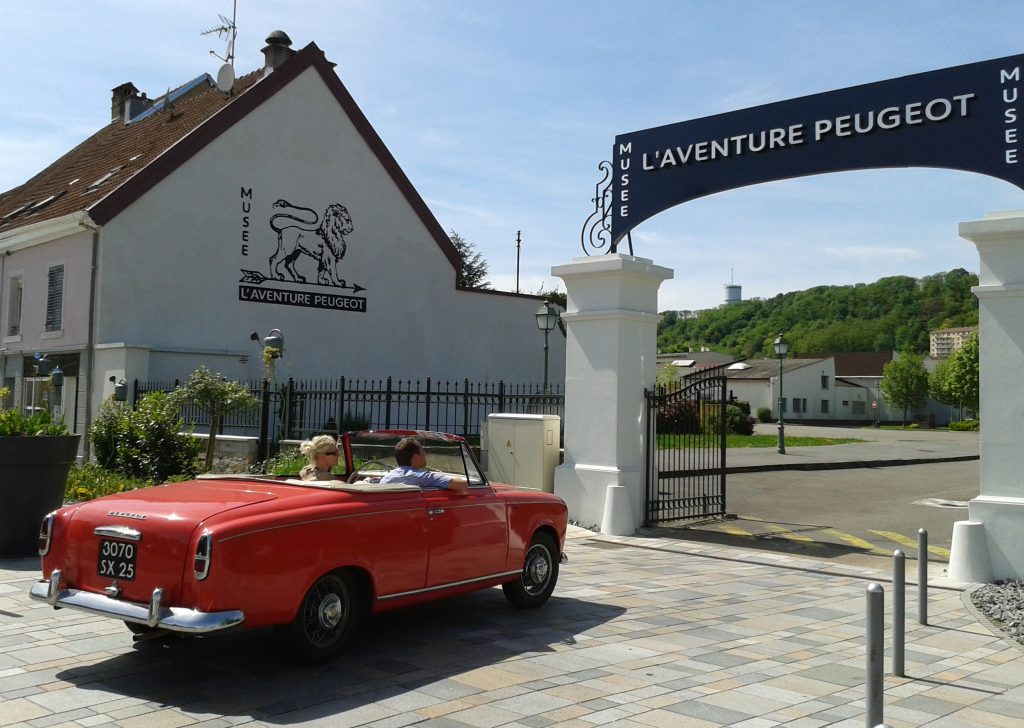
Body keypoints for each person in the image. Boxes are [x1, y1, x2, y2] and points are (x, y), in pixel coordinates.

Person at [379, 437, 468, 491]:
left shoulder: (386, 478)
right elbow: (462, 484)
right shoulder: (423, 477)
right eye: (422, 451)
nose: (425, 454)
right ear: (415, 458)